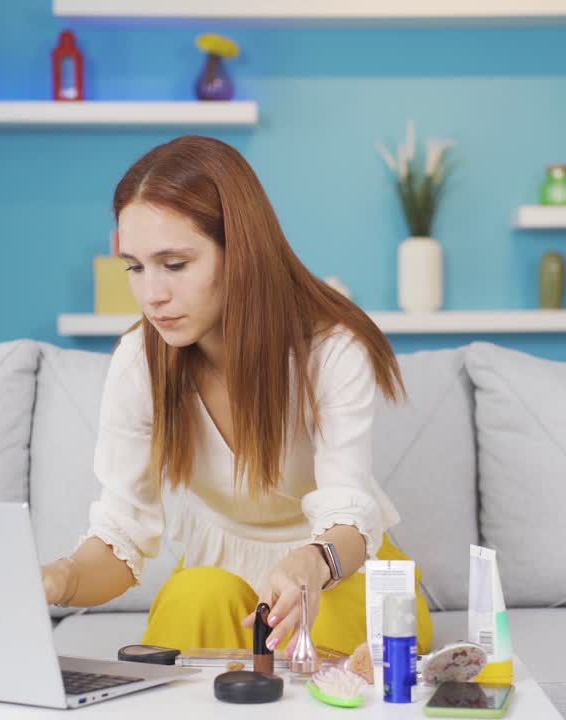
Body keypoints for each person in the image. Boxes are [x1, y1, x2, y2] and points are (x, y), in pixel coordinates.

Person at [40, 135, 432, 656]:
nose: (152, 295)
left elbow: (348, 516)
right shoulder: (140, 360)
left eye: (175, 265)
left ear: (241, 252)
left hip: (337, 569)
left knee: (325, 625)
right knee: (194, 595)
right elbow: (121, 536)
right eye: (134, 266)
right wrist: (55, 580)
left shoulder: (331, 351)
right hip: (221, 573)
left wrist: (310, 563)